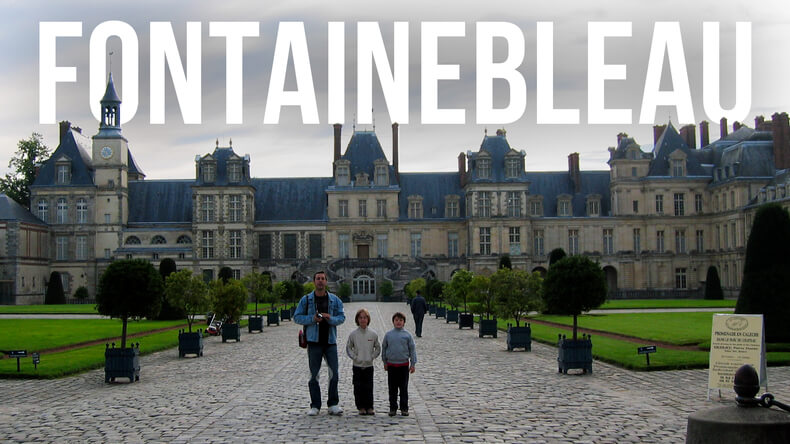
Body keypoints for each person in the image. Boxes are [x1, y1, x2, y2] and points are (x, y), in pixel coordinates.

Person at [294, 271, 346, 416]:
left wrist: (330, 318)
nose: (320, 281)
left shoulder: (335, 300)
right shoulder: (306, 300)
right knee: (314, 375)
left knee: (334, 374)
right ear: (314, 281)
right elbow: (297, 317)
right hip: (314, 342)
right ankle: (315, 405)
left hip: (330, 341)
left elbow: (342, 318)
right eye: (318, 279)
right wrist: (312, 319)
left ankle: (333, 404)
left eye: (323, 279)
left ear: (326, 281)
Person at [345, 308, 381, 415]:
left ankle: (369, 406)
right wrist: (354, 357)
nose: (363, 320)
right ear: (357, 320)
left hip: (369, 365)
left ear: (368, 319)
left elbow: (378, 347)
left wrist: (372, 356)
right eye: (360, 318)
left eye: (365, 317)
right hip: (357, 365)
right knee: (358, 387)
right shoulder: (353, 334)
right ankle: (360, 407)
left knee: (368, 387)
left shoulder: (373, 334)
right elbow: (348, 347)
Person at [381, 311, 417, 417]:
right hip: (392, 365)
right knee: (392, 388)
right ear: (393, 321)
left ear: (404, 322)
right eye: (396, 320)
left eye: (400, 320)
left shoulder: (407, 335)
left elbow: (412, 349)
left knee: (403, 388)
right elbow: (384, 348)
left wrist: (413, 363)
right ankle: (393, 408)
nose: (398, 322)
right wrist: (384, 361)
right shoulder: (388, 335)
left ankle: (404, 408)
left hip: (403, 366)